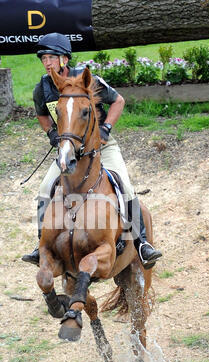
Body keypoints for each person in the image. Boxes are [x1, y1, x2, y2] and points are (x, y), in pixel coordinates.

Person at [22, 33, 162, 269]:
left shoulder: (89, 80)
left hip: (102, 148)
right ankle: (41, 245)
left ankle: (142, 243)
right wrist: (51, 134)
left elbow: (119, 101)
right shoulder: (43, 88)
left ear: (64, 59)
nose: (47, 63)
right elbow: (42, 114)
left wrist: (106, 128)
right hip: (69, 149)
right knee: (45, 187)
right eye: (44, 58)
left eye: (51, 58)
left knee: (125, 186)